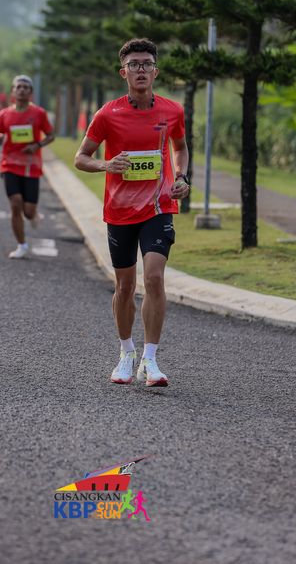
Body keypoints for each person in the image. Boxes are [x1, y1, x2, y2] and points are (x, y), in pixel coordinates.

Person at [74, 39, 189, 387]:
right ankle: (126, 353)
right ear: (123, 72)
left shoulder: (172, 111)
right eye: (134, 64)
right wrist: (106, 164)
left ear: (156, 71)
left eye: (147, 63)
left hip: (158, 207)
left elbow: (180, 147)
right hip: (120, 211)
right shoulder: (107, 114)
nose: (141, 69)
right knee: (124, 286)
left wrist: (181, 177)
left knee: (153, 278)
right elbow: (81, 158)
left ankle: (151, 360)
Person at [0, 75, 55, 258]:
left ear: (31, 92)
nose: (21, 90)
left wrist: (37, 145)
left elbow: (51, 135)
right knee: (15, 204)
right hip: (9, 164)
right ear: (13, 91)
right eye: (18, 87)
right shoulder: (4, 114)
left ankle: (33, 214)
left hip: (31, 166)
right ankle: (22, 245)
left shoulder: (39, 113)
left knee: (28, 212)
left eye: (26, 87)